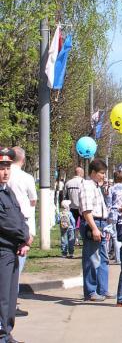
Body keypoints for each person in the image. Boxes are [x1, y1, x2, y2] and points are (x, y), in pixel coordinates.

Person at [0, 147, 32, 343]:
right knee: (2, 296)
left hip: (12, 250)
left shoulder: (7, 191)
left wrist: (24, 237)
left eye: (7, 168)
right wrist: (24, 236)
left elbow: (19, 216)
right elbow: (5, 222)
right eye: (2, 168)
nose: (5, 172)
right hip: (2, 250)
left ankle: (6, 332)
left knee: (11, 297)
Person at [7, 146, 37, 318]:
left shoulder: (6, 175)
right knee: (16, 268)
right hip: (21, 226)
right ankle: (11, 304)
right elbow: (33, 201)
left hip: (6, 224)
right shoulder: (26, 177)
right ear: (23, 160)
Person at [79, 158, 113, 302]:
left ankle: (102, 289)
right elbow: (87, 211)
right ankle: (91, 291)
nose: (103, 176)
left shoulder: (96, 186)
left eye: (104, 173)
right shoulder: (87, 186)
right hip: (93, 224)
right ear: (93, 172)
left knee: (103, 259)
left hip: (101, 223)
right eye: (101, 173)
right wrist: (94, 228)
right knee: (92, 259)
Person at [106, 170, 122, 264]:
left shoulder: (111, 189)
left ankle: (112, 257)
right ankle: (119, 257)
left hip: (113, 214)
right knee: (121, 236)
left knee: (112, 236)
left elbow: (108, 203)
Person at [63, 167, 85, 245]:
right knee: (83, 224)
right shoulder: (83, 182)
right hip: (82, 207)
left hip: (71, 207)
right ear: (81, 173)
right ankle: (83, 239)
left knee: (72, 224)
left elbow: (65, 196)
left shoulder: (68, 183)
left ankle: (73, 240)